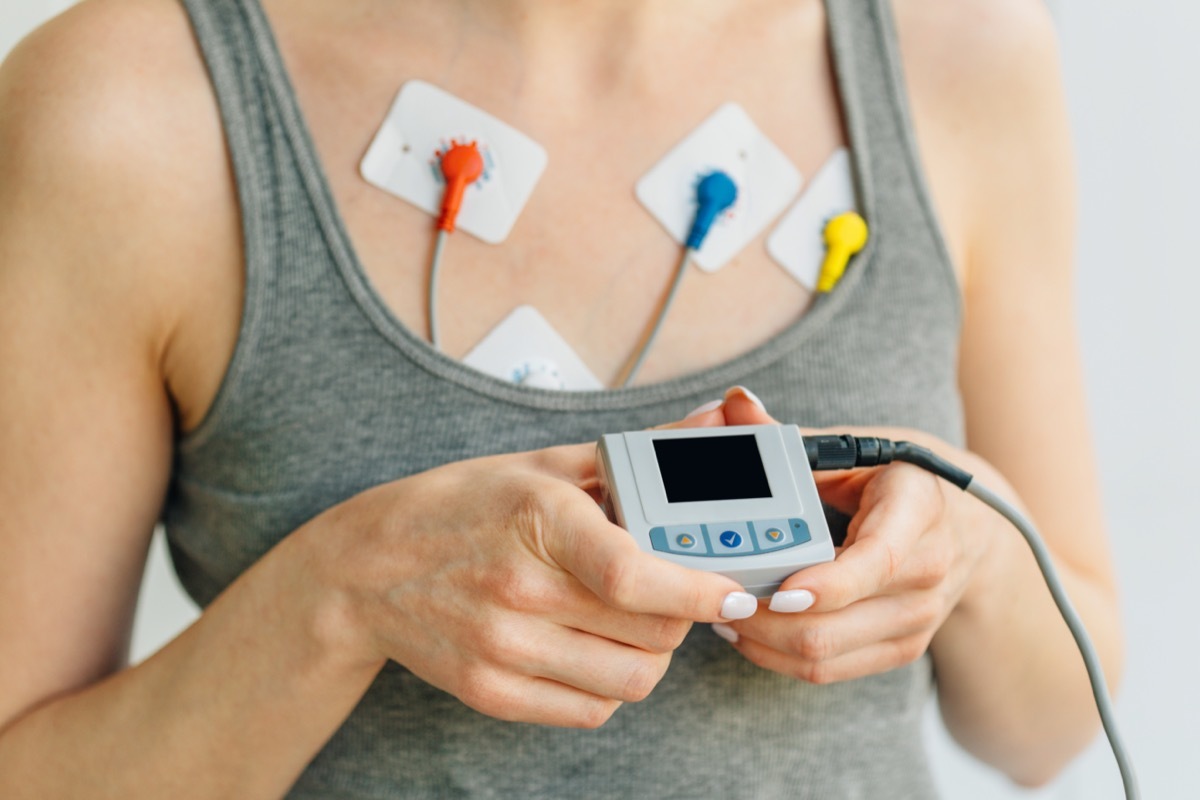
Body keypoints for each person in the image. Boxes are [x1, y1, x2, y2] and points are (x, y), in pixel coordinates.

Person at [0, 0, 1122, 797]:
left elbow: (1050, 729)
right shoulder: (129, 105)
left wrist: (974, 548)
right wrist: (340, 596)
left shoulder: (966, 53)